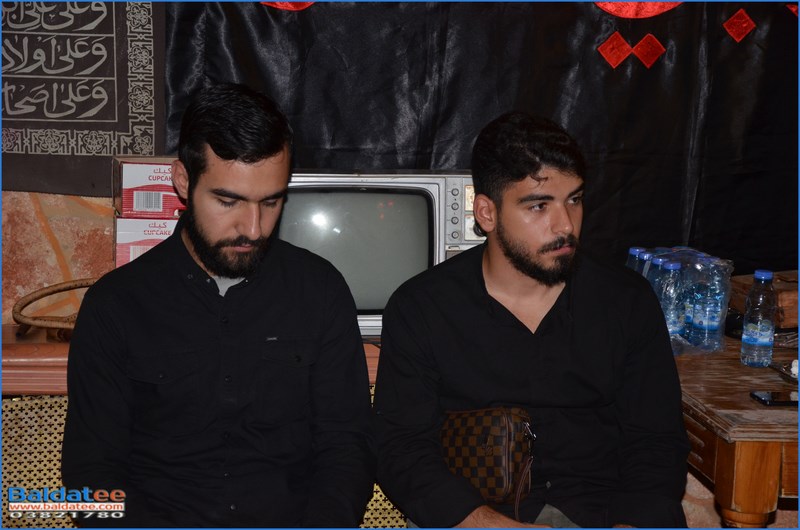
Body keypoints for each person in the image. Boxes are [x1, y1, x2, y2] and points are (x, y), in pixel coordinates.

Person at [62, 83, 375, 527]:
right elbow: (90, 477)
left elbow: (346, 449)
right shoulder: (116, 306)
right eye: (228, 201)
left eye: (271, 202)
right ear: (183, 181)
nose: (253, 228)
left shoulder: (320, 290)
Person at [373, 112, 690, 528]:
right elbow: (401, 448)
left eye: (574, 199)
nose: (565, 225)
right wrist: (487, 523)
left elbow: (657, 441)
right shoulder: (423, 307)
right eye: (539, 205)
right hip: (475, 515)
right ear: (486, 213)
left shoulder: (625, 300)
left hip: (602, 512)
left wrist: (630, 523)